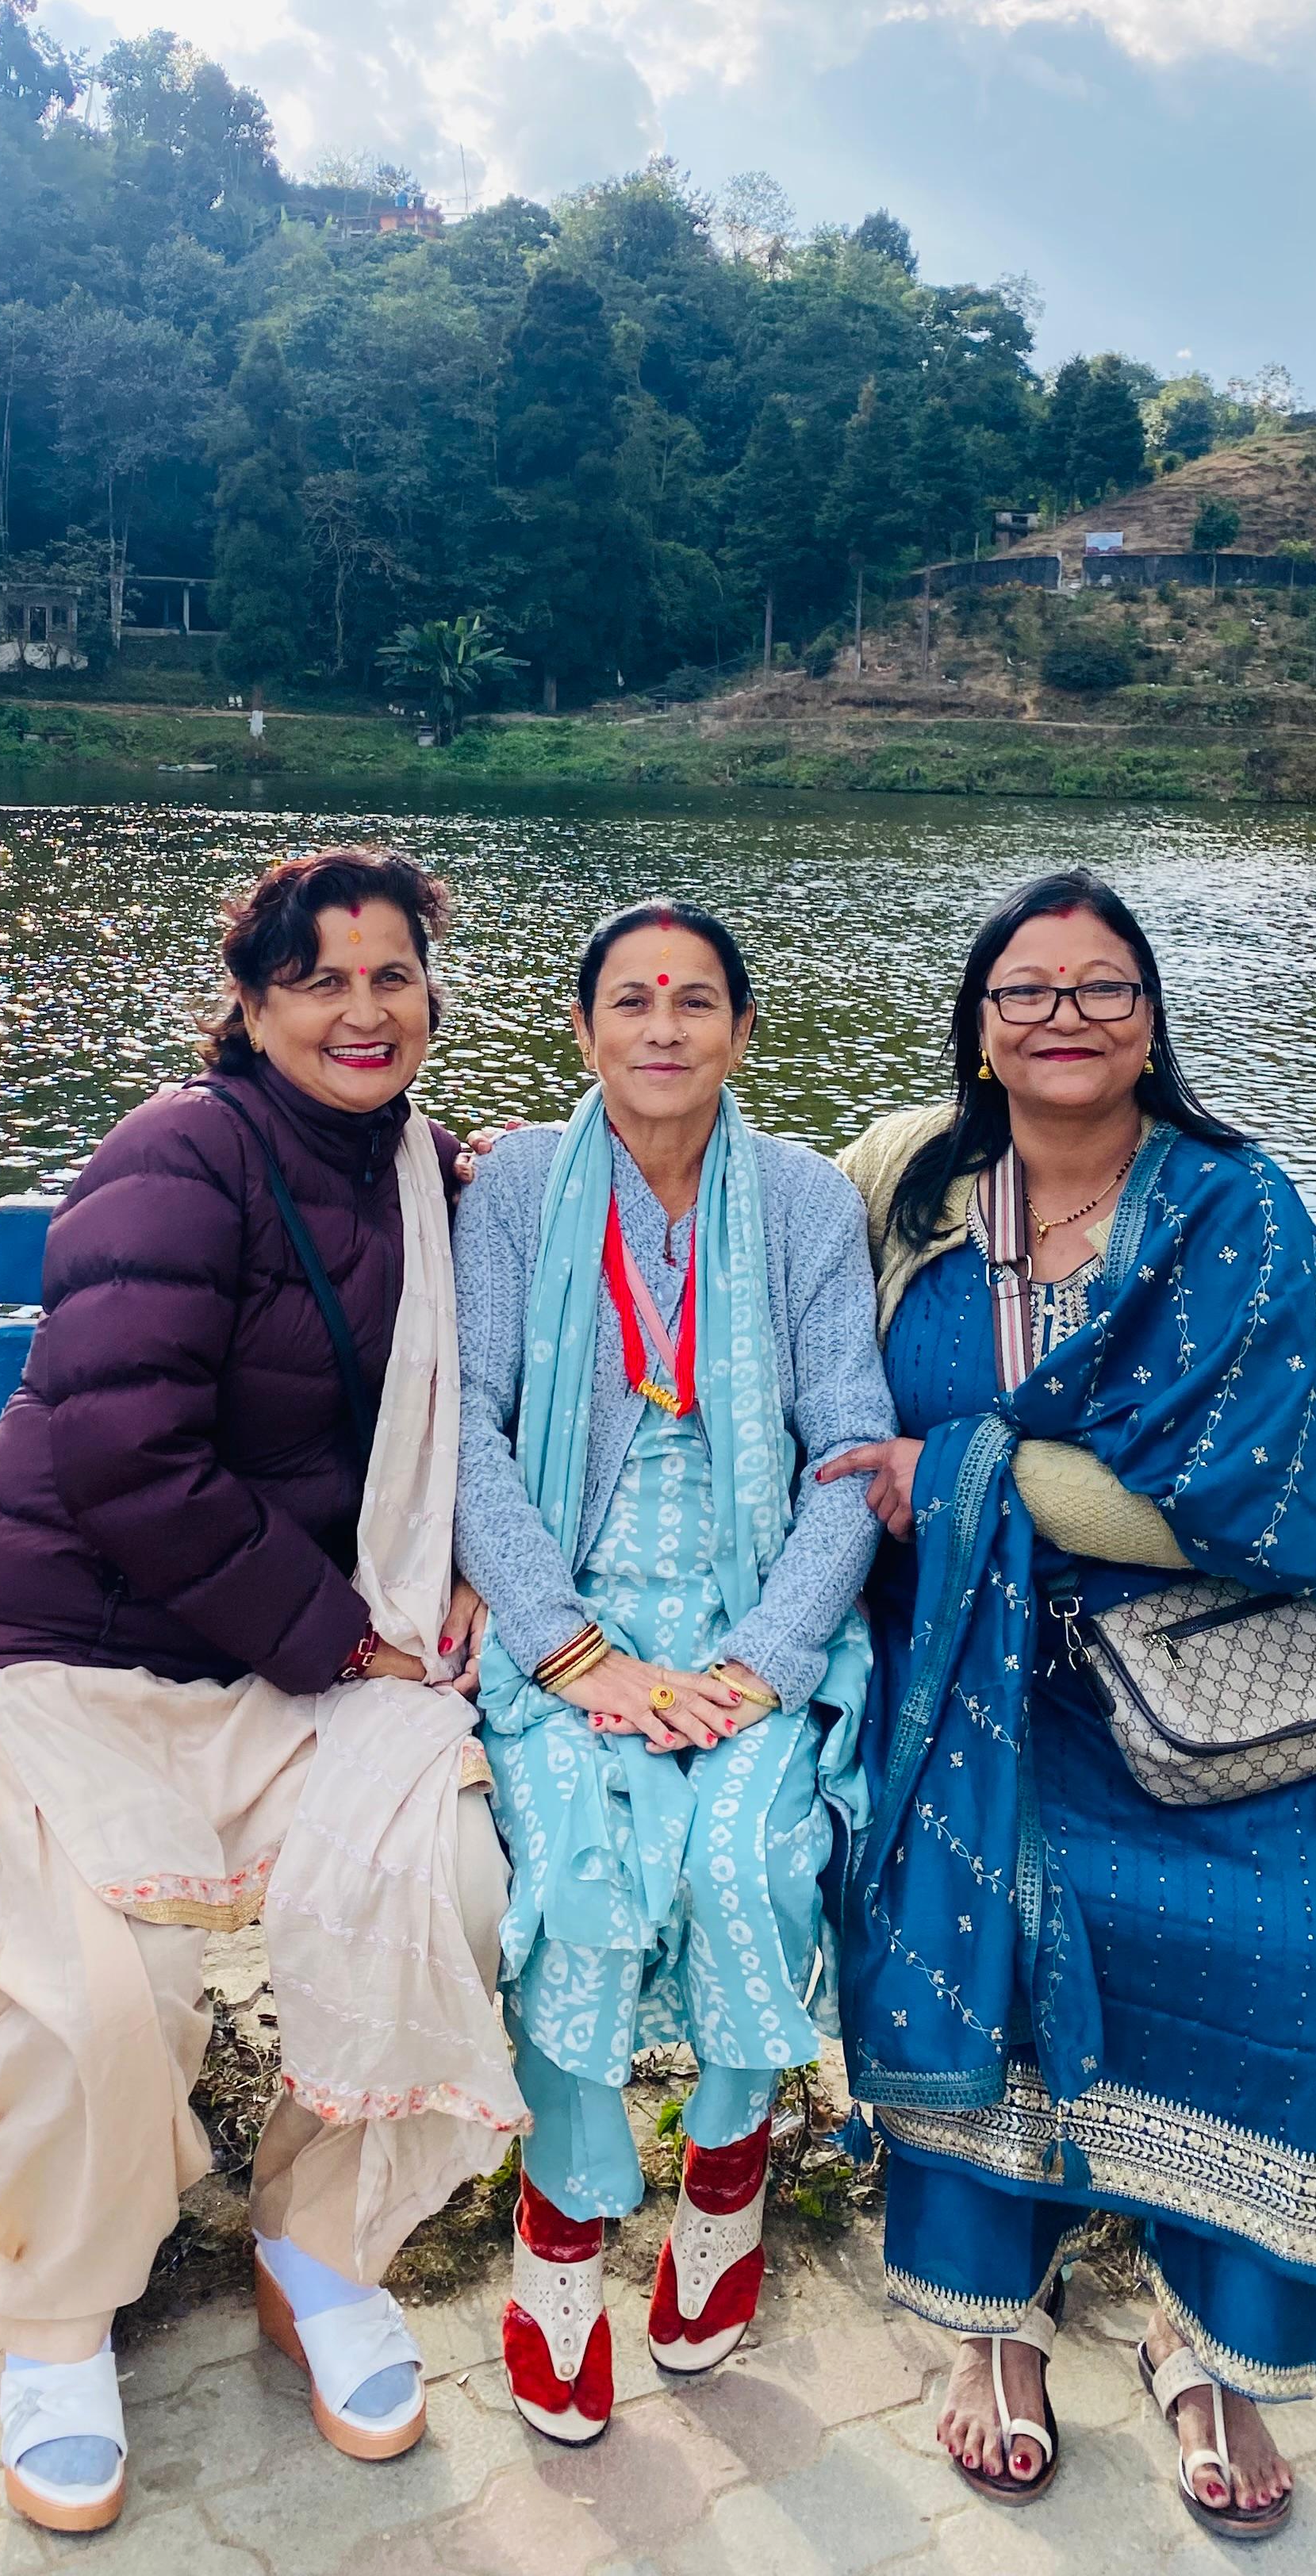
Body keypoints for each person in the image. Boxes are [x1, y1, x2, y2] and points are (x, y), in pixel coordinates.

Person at [829, 869, 1316, 2541]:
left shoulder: (1233, 1207)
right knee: (963, 1878)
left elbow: (1277, 1504)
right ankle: (991, 2330)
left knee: (1303, 1920)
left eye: (1102, 991)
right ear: (980, 1028)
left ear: (1151, 1024)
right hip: (961, 1667)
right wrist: (507, 1175)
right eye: (1026, 992)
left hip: (1203, 1661)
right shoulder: (900, 1181)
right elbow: (701, 1217)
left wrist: (982, 1474)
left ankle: (1208, 2342)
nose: (1064, 1018)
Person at [0, 847, 520, 2532]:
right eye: (317, 979)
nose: (362, 1009)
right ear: (249, 1006)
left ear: (429, 997)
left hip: (267, 1663)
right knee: (100, 1994)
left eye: (392, 975)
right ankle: (54, 2315)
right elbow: (117, 1449)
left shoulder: (430, 1182)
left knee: (447, 1879)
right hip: (55, 1657)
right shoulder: (180, 1153)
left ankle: (320, 2249)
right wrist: (336, 1637)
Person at [455, 899, 893, 2443]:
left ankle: (726, 2176)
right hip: (567, 1631)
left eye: (695, 1000)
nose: (660, 1026)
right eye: (629, 1000)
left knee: (744, 1862)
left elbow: (847, 1455)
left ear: (741, 1033)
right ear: (581, 1031)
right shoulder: (515, 1186)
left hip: (749, 1625)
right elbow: (472, 1434)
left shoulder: (804, 1199)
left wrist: (769, 1661)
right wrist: (578, 1657)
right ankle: (561, 2241)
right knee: (581, 1881)